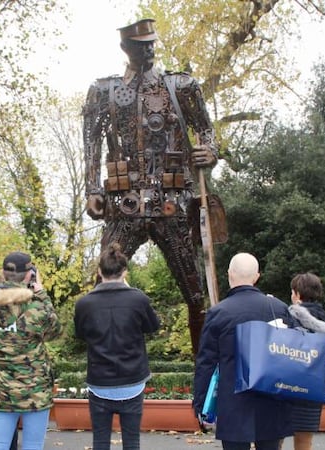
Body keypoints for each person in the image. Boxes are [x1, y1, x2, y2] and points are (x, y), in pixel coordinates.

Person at [83, 18, 220, 354]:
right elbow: (90, 145)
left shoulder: (181, 85)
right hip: (122, 203)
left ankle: (206, 370)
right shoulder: (104, 91)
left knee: (195, 293)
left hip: (172, 201)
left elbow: (205, 130)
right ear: (125, 48)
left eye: (151, 43)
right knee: (99, 289)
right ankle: (100, 364)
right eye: (140, 44)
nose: (148, 49)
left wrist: (209, 150)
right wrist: (92, 189)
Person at [193, 253, 293, 450]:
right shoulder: (279, 308)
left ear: (229, 274)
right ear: (257, 276)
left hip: (233, 402)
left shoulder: (219, 312)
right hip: (271, 399)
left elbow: (206, 362)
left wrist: (200, 405)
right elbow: (290, 356)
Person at [74, 243, 160, 450]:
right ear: (125, 272)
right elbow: (153, 327)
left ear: (99, 272)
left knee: (100, 441)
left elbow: (80, 335)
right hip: (132, 381)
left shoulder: (84, 304)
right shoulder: (138, 299)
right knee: (132, 442)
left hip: (99, 381)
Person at [0, 252, 63, 450]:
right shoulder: (35, 305)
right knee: (33, 445)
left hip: (1, 388)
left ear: (4, 274)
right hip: (35, 389)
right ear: (28, 274)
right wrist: (41, 293)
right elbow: (55, 331)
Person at [285, 273, 325, 450]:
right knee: (304, 441)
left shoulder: (290, 316)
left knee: (276, 438)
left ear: (296, 294)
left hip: (287, 385)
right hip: (313, 387)